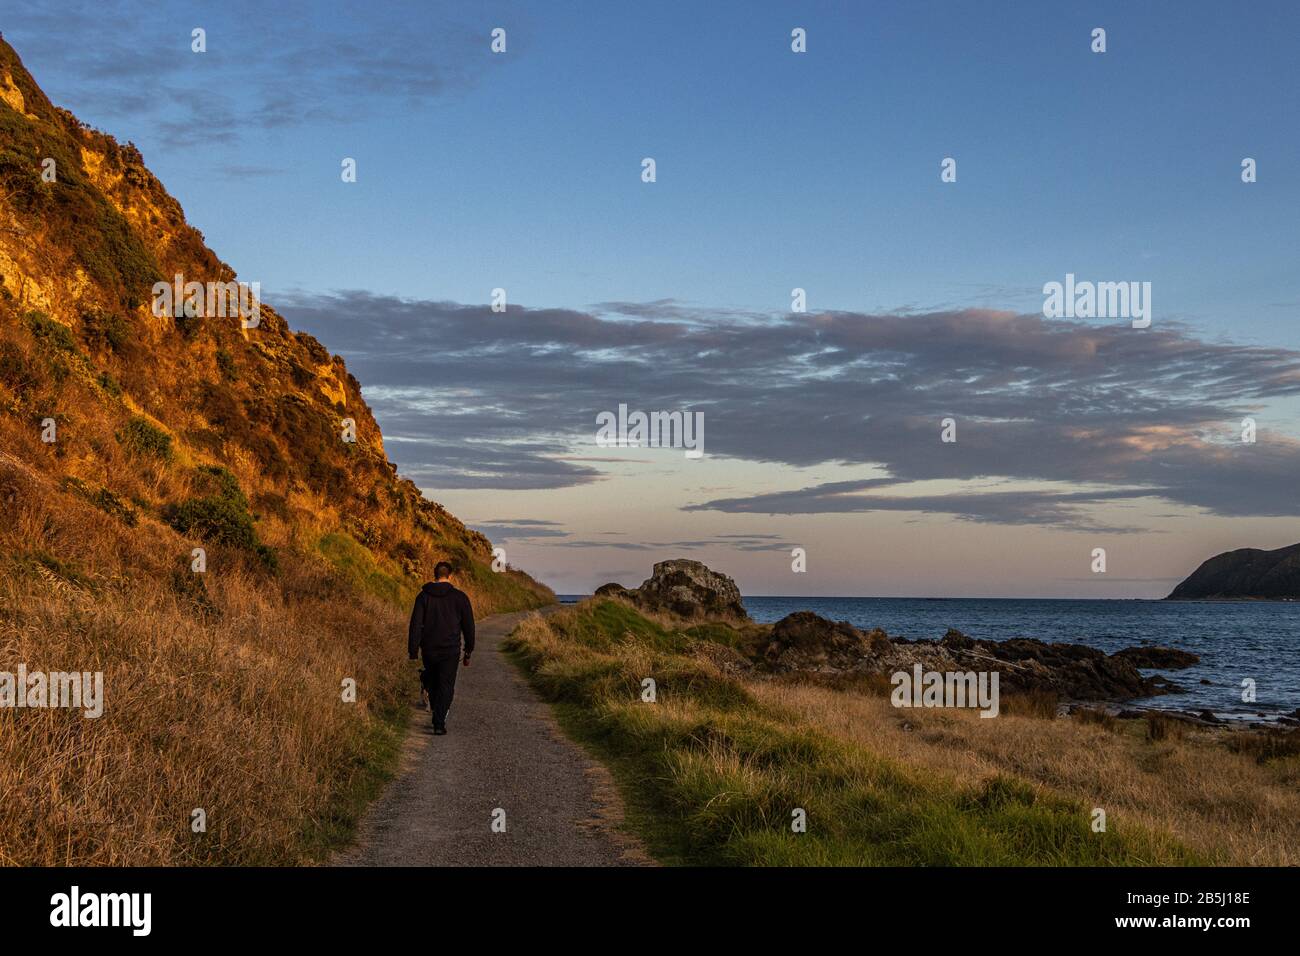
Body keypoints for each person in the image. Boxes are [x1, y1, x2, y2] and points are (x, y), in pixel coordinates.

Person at [407, 561, 475, 735]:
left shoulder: (423, 597)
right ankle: (439, 723)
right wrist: (468, 650)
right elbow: (469, 626)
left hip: (429, 649)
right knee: (446, 685)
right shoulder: (460, 598)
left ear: (434, 575)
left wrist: (413, 650)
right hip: (450, 650)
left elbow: (415, 625)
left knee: (434, 681)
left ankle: (436, 711)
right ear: (450, 576)